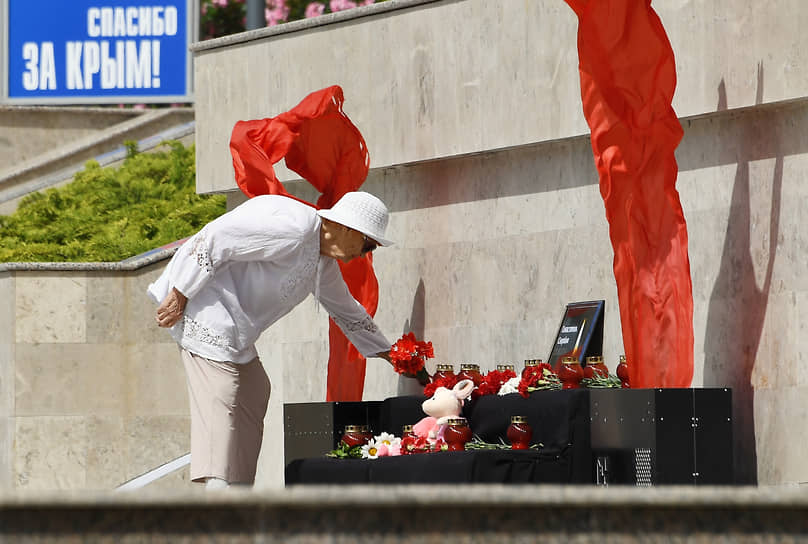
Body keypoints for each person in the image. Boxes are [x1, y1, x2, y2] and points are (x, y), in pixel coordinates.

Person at [148, 191, 395, 489]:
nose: (367, 253)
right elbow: (215, 237)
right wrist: (181, 292)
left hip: (234, 331)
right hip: (204, 312)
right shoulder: (296, 230)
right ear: (348, 228)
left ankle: (238, 491)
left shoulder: (321, 263)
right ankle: (220, 495)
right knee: (222, 397)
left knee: (255, 389)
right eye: (368, 244)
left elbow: (347, 310)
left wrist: (392, 354)